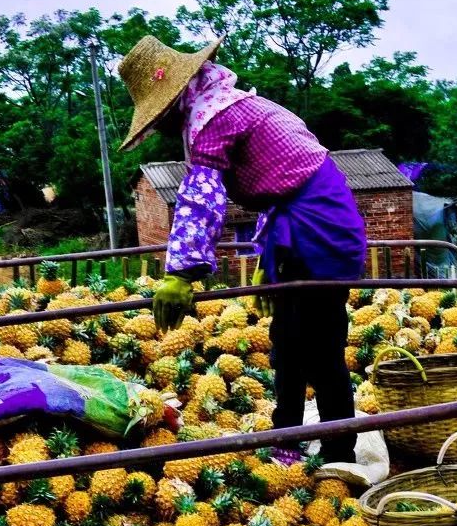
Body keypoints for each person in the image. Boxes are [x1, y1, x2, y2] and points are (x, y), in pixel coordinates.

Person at [119, 36, 367, 462]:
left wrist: (181, 273)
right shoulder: (233, 103)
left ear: (178, 96)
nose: (160, 125)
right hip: (303, 222)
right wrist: (269, 255)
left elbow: (201, 197)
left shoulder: (214, 118)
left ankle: (339, 453)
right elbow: (278, 183)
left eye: (160, 114)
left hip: (318, 228)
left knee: (320, 347)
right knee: (287, 341)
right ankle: (287, 439)